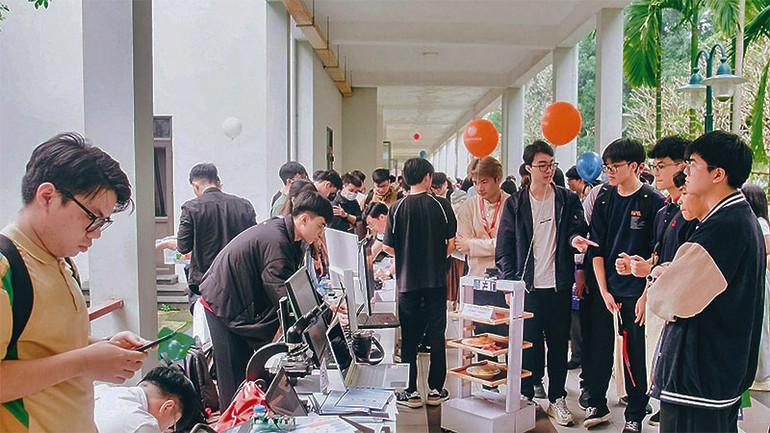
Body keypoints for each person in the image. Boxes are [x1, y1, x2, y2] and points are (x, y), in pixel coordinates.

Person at [0, 132, 148, 432]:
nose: (96, 233)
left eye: (103, 223)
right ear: (47, 197)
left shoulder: (63, 262)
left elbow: (44, 344)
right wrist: (84, 362)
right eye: (93, 218)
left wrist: (105, 347)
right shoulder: (7, 268)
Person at [647, 131, 764, 432]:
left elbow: (669, 299)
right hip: (717, 375)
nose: (684, 172)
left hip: (699, 381)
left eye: (692, 164)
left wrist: (661, 280)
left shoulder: (723, 227)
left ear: (718, 174)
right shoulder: (739, 218)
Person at [198, 191, 333, 410]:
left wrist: (322, 308)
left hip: (239, 298)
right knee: (234, 375)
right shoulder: (277, 241)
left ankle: (247, 414)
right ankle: (233, 420)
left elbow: (296, 283)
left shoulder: (291, 236)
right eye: (320, 226)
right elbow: (282, 290)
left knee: (247, 372)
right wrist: (317, 316)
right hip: (222, 300)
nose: (320, 233)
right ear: (304, 219)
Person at [495, 141, 593, 427]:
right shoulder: (515, 204)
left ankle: (557, 397)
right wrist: (509, 285)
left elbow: (576, 230)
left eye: (551, 165)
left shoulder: (566, 199)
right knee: (528, 344)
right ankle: (526, 396)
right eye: (542, 166)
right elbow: (504, 248)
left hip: (558, 286)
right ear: (528, 168)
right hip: (527, 287)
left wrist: (576, 241)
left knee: (559, 345)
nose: (548, 170)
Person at [584, 138, 666, 432]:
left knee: (633, 353)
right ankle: (596, 401)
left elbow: (660, 253)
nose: (609, 172)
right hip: (605, 288)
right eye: (606, 166)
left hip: (636, 292)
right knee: (597, 347)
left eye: (615, 166)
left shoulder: (653, 201)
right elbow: (596, 249)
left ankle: (635, 413)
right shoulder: (604, 197)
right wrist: (604, 290)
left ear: (635, 166)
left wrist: (644, 290)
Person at [613, 136, 689, 426]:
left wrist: (651, 269)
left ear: (682, 166)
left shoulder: (693, 211)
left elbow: (686, 265)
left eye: (661, 166)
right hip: (658, 300)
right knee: (649, 362)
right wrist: (643, 272)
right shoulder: (664, 209)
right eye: (654, 166)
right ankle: (641, 411)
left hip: (682, 307)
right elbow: (658, 256)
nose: (655, 172)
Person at [384, 158, 457, 409]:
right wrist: (436, 258)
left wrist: (406, 258)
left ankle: (410, 391)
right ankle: (436, 389)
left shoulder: (396, 208)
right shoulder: (442, 205)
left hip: (407, 283)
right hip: (436, 281)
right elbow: (451, 244)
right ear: (428, 177)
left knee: (409, 338)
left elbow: (387, 246)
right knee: (437, 335)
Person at [171, 164, 257, 312]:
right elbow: (253, 242)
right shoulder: (244, 205)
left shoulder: (191, 208)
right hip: (240, 280)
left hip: (206, 282)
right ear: (217, 181)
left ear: (195, 185)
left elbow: (183, 247)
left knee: (207, 324)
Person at [456, 156, 509, 313]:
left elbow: (508, 245)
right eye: (475, 183)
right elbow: (462, 246)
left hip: (505, 279)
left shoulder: (511, 204)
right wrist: (495, 244)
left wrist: (473, 245)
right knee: (477, 326)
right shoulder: (468, 207)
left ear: (498, 178)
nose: (479, 188)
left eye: (484, 182)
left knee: (504, 325)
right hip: (476, 278)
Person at [94, 366, 200, 433]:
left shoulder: (100, 391)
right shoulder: (143, 425)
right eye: (172, 426)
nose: (165, 431)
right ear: (167, 407)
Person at [742, 183, 770, 392]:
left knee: (761, 324)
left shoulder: (760, 223)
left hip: (759, 276)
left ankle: (762, 372)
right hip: (754, 275)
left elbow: (765, 250)